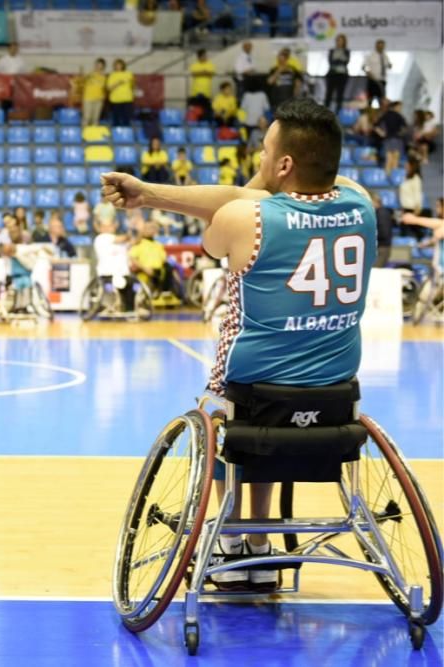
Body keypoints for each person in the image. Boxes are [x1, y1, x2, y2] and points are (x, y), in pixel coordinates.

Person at [100, 98, 377, 591]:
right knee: (263, 412)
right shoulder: (362, 204)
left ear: (285, 164)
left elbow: (235, 207)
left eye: (267, 152)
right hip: (337, 397)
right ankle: (260, 541)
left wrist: (150, 196)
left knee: (220, 413)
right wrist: (150, 194)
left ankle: (231, 534)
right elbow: (252, 195)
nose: (260, 162)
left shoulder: (244, 220)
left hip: (252, 393)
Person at [93, 217, 136, 312]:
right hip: (107, 275)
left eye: (110, 226)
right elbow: (125, 238)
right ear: (100, 228)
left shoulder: (120, 242)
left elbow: (134, 242)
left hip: (123, 274)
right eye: (104, 226)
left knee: (134, 285)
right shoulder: (101, 238)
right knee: (113, 288)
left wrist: (138, 230)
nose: (107, 229)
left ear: (114, 227)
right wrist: (130, 231)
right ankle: (111, 306)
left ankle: (129, 310)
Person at [0, 42, 26, 117]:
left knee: (15, 102)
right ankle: (5, 118)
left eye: (16, 48)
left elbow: (23, 73)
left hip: (16, 85)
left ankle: (14, 118)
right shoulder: (2, 60)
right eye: (12, 48)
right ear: (8, 49)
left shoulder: (21, 61)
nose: (14, 50)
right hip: (5, 85)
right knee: (5, 102)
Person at [375, 101, 407, 173]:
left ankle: (388, 178)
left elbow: (376, 126)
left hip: (387, 139)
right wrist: (400, 133)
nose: (400, 109)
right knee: (394, 160)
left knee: (389, 160)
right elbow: (405, 128)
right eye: (400, 107)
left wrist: (382, 134)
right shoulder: (399, 116)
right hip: (396, 139)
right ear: (395, 107)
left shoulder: (385, 114)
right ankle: (392, 179)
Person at [325, 35, 350, 114]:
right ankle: (326, 110)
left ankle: (338, 111)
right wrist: (339, 60)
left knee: (340, 94)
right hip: (332, 74)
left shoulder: (346, 51)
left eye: (341, 40)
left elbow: (346, 62)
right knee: (329, 93)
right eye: (338, 40)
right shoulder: (332, 51)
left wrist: (338, 60)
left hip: (342, 75)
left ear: (344, 42)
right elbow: (331, 62)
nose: (339, 42)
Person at [362, 40, 390, 109]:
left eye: (382, 46)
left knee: (381, 101)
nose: (381, 47)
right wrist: (368, 72)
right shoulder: (370, 56)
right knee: (369, 100)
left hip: (382, 81)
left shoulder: (385, 56)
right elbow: (364, 67)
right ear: (376, 46)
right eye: (379, 46)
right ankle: (369, 115)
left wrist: (390, 65)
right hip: (372, 81)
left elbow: (388, 65)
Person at [107, 59, 135, 127]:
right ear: (114, 66)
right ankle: (116, 133)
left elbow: (132, 86)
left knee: (126, 118)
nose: (118, 66)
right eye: (116, 65)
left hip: (127, 99)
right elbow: (109, 88)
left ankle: (126, 133)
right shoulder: (112, 75)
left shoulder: (129, 74)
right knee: (116, 119)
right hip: (116, 100)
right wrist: (118, 83)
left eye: (120, 64)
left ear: (123, 65)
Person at [189, 49, 216, 122]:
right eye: (203, 56)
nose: (205, 57)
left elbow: (211, 73)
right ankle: (196, 125)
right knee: (196, 110)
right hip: (196, 91)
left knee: (206, 110)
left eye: (205, 55)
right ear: (199, 57)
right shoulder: (194, 65)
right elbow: (194, 74)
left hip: (207, 91)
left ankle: (205, 124)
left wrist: (200, 72)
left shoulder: (210, 64)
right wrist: (204, 72)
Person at [81, 58, 107, 128]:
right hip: (88, 98)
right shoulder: (90, 73)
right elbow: (83, 79)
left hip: (99, 99)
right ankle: (84, 134)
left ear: (103, 66)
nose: (98, 66)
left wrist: (103, 97)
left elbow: (104, 88)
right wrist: (86, 74)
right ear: (95, 65)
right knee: (87, 117)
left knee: (96, 118)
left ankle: (94, 135)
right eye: (97, 64)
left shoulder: (104, 76)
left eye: (100, 65)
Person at [372, 193, 395, 267]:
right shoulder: (381, 212)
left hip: (382, 248)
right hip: (381, 247)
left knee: (375, 271)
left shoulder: (382, 213)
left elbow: (384, 233)